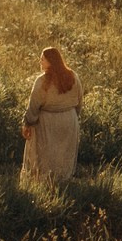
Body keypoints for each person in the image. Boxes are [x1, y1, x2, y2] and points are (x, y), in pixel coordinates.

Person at [20, 47, 84, 184]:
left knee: (46, 153)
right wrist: (73, 117)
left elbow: (34, 105)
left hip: (47, 121)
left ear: (51, 62)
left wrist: (28, 123)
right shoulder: (73, 76)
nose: (40, 61)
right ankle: (62, 180)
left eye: (42, 59)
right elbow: (79, 101)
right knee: (63, 152)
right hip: (69, 119)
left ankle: (45, 182)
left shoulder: (42, 81)